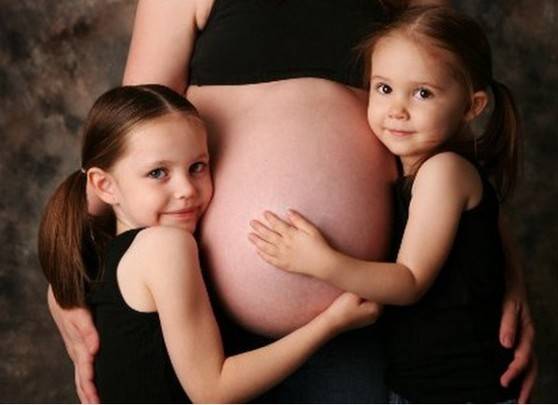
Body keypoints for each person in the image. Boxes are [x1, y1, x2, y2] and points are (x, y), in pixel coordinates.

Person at [47, 1, 536, 403]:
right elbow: (125, 140)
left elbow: (451, 144)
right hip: (201, 319)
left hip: (361, 317)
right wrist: (65, 276)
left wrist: (506, 273)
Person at [249, 5, 529, 402]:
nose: (397, 109)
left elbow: (410, 281)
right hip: (417, 384)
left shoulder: (444, 172)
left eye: (422, 93)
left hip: (462, 390)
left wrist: (321, 263)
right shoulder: (410, 170)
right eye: (383, 89)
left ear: (472, 106)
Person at [38, 84, 380, 403]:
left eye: (197, 166)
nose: (186, 189)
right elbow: (213, 391)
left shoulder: (104, 253)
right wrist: (331, 323)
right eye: (158, 173)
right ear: (105, 185)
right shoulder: (162, 247)